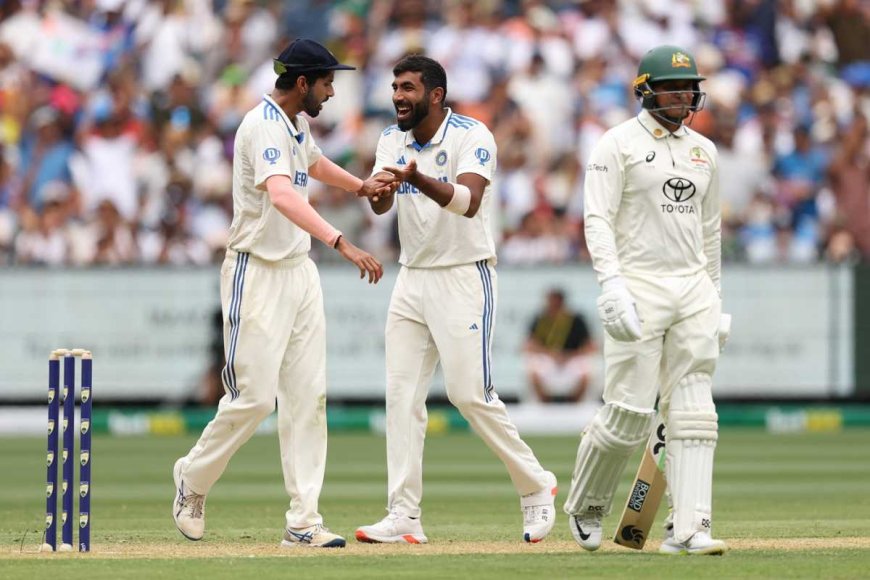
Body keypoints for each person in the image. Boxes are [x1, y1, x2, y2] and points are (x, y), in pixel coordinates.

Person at [171, 38, 392, 549]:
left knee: (307, 398)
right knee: (252, 398)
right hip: (257, 271)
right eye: (326, 82)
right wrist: (341, 241)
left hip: (298, 271)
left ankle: (304, 520)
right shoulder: (263, 124)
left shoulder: (296, 123)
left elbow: (311, 165)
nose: (332, 91)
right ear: (301, 83)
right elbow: (282, 193)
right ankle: (193, 479)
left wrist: (360, 186)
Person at [354, 55, 557, 545]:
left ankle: (536, 486)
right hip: (412, 277)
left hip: (465, 275)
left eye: (408, 88)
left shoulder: (473, 135)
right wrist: (378, 190)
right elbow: (382, 204)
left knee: (470, 396)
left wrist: (414, 177)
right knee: (401, 399)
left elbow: (468, 203)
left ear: (436, 95)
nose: (398, 96)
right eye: (395, 87)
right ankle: (403, 514)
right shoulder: (390, 138)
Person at [563, 45, 730, 555]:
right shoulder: (616, 145)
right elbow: (597, 219)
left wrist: (715, 298)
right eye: (673, 87)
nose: (685, 95)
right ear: (646, 90)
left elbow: (710, 231)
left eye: (689, 87)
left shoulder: (705, 151)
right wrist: (611, 284)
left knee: (696, 412)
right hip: (639, 283)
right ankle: (589, 503)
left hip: (692, 286)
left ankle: (690, 527)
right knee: (629, 414)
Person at [523, 288, 596, 404]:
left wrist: (569, 355)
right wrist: (550, 354)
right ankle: (545, 403)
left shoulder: (575, 320)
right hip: (548, 358)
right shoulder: (541, 319)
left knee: (585, 373)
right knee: (534, 371)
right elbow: (529, 345)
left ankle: (575, 403)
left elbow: (591, 346)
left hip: (572, 359)